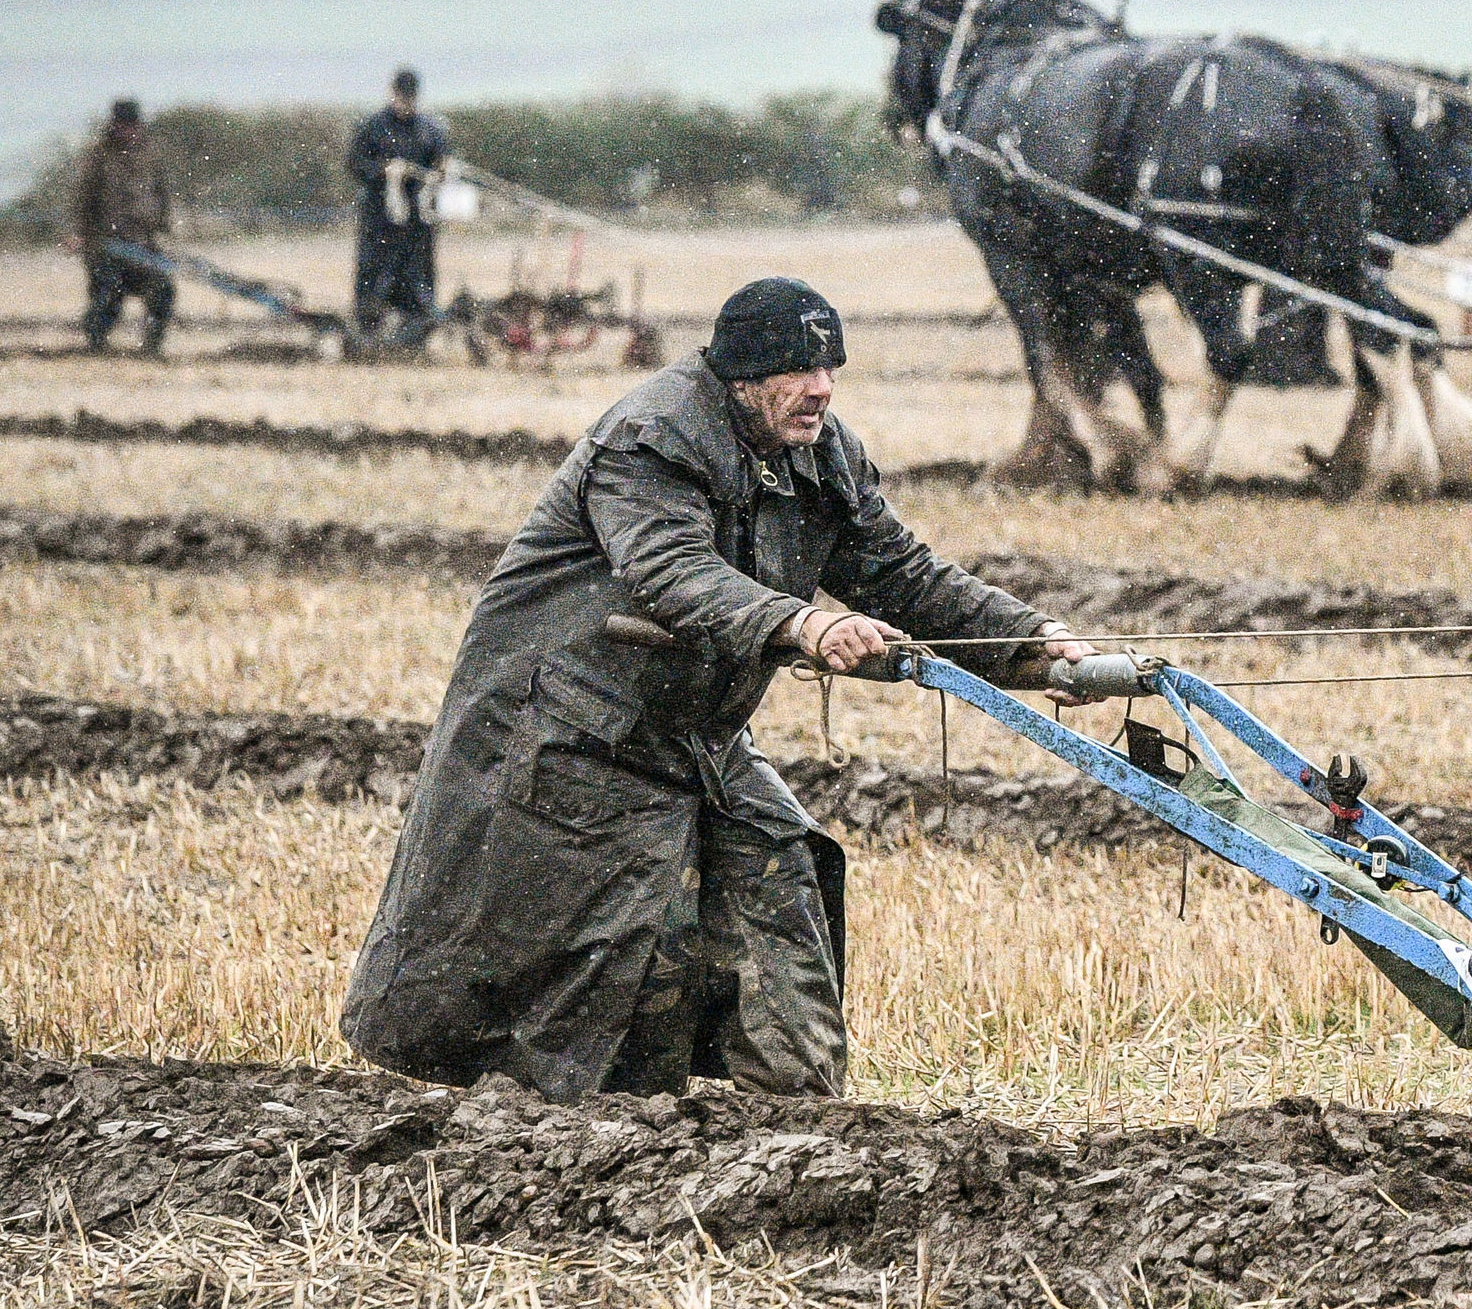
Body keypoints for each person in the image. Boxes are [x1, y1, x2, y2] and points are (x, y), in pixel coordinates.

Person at [343, 279, 1092, 1101]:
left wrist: (1034, 645)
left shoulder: (818, 451)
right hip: (571, 739)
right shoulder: (649, 441)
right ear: (741, 376)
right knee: (605, 989)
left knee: (782, 878)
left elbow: (901, 574)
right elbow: (674, 572)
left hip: (697, 738)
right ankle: (591, 1154)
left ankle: (799, 1128)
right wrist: (801, 625)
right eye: (801, 371)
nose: (823, 388)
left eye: (831, 368)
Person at [345, 66, 450, 346]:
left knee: (417, 279)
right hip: (379, 219)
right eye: (401, 97)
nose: (405, 103)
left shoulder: (430, 130)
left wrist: (437, 174)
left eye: (410, 97)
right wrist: (384, 170)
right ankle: (366, 337)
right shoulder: (372, 127)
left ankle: (414, 339)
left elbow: (441, 164)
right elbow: (355, 164)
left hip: (417, 223)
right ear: (392, 94)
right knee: (374, 275)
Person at [67, 97, 175, 354]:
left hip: (143, 244)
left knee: (162, 289)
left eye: (132, 125)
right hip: (107, 246)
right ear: (114, 125)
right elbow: (83, 199)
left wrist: (163, 228)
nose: (128, 130)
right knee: (108, 294)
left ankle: (152, 347)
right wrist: (80, 234)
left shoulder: (149, 156)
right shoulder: (99, 157)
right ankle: (96, 344)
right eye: (122, 125)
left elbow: (162, 195)